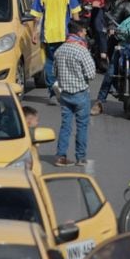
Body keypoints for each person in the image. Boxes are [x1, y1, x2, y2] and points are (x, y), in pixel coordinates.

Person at [53, 19, 96, 166]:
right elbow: (91, 74)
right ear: (79, 32)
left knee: (65, 126)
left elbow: (55, 72)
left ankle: (60, 156)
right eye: (84, 31)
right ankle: (80, 157)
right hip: (80, 94)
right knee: (82, 126)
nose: (85, 34)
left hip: (65, 94)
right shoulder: (82, 50)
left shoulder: (60, 50)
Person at [37, 0, 80, 96]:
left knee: (50, 61)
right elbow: (75, 14)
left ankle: (52, 90)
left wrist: (34, 32)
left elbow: (36, 14)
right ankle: (63, 86)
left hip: (48, 34)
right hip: (64, 33)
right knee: (63, 61)